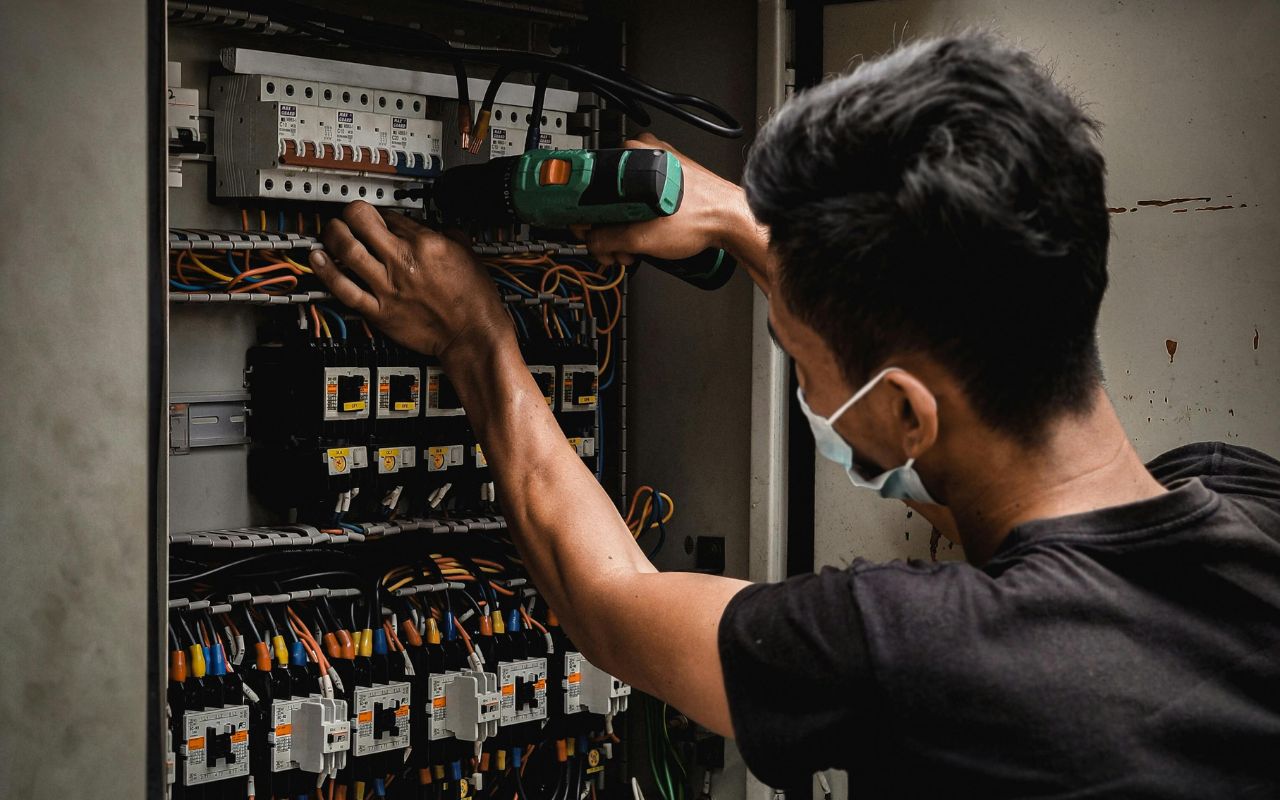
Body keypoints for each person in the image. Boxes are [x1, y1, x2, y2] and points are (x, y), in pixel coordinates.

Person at [309, 32, 1280, 798]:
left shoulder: (921, 652)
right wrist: (741, 221)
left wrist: (476, 341)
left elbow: (608, 604)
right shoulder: (1244, 501)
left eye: (802, 366)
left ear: (904, 413)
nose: (811, 398)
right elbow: (1008, 497)